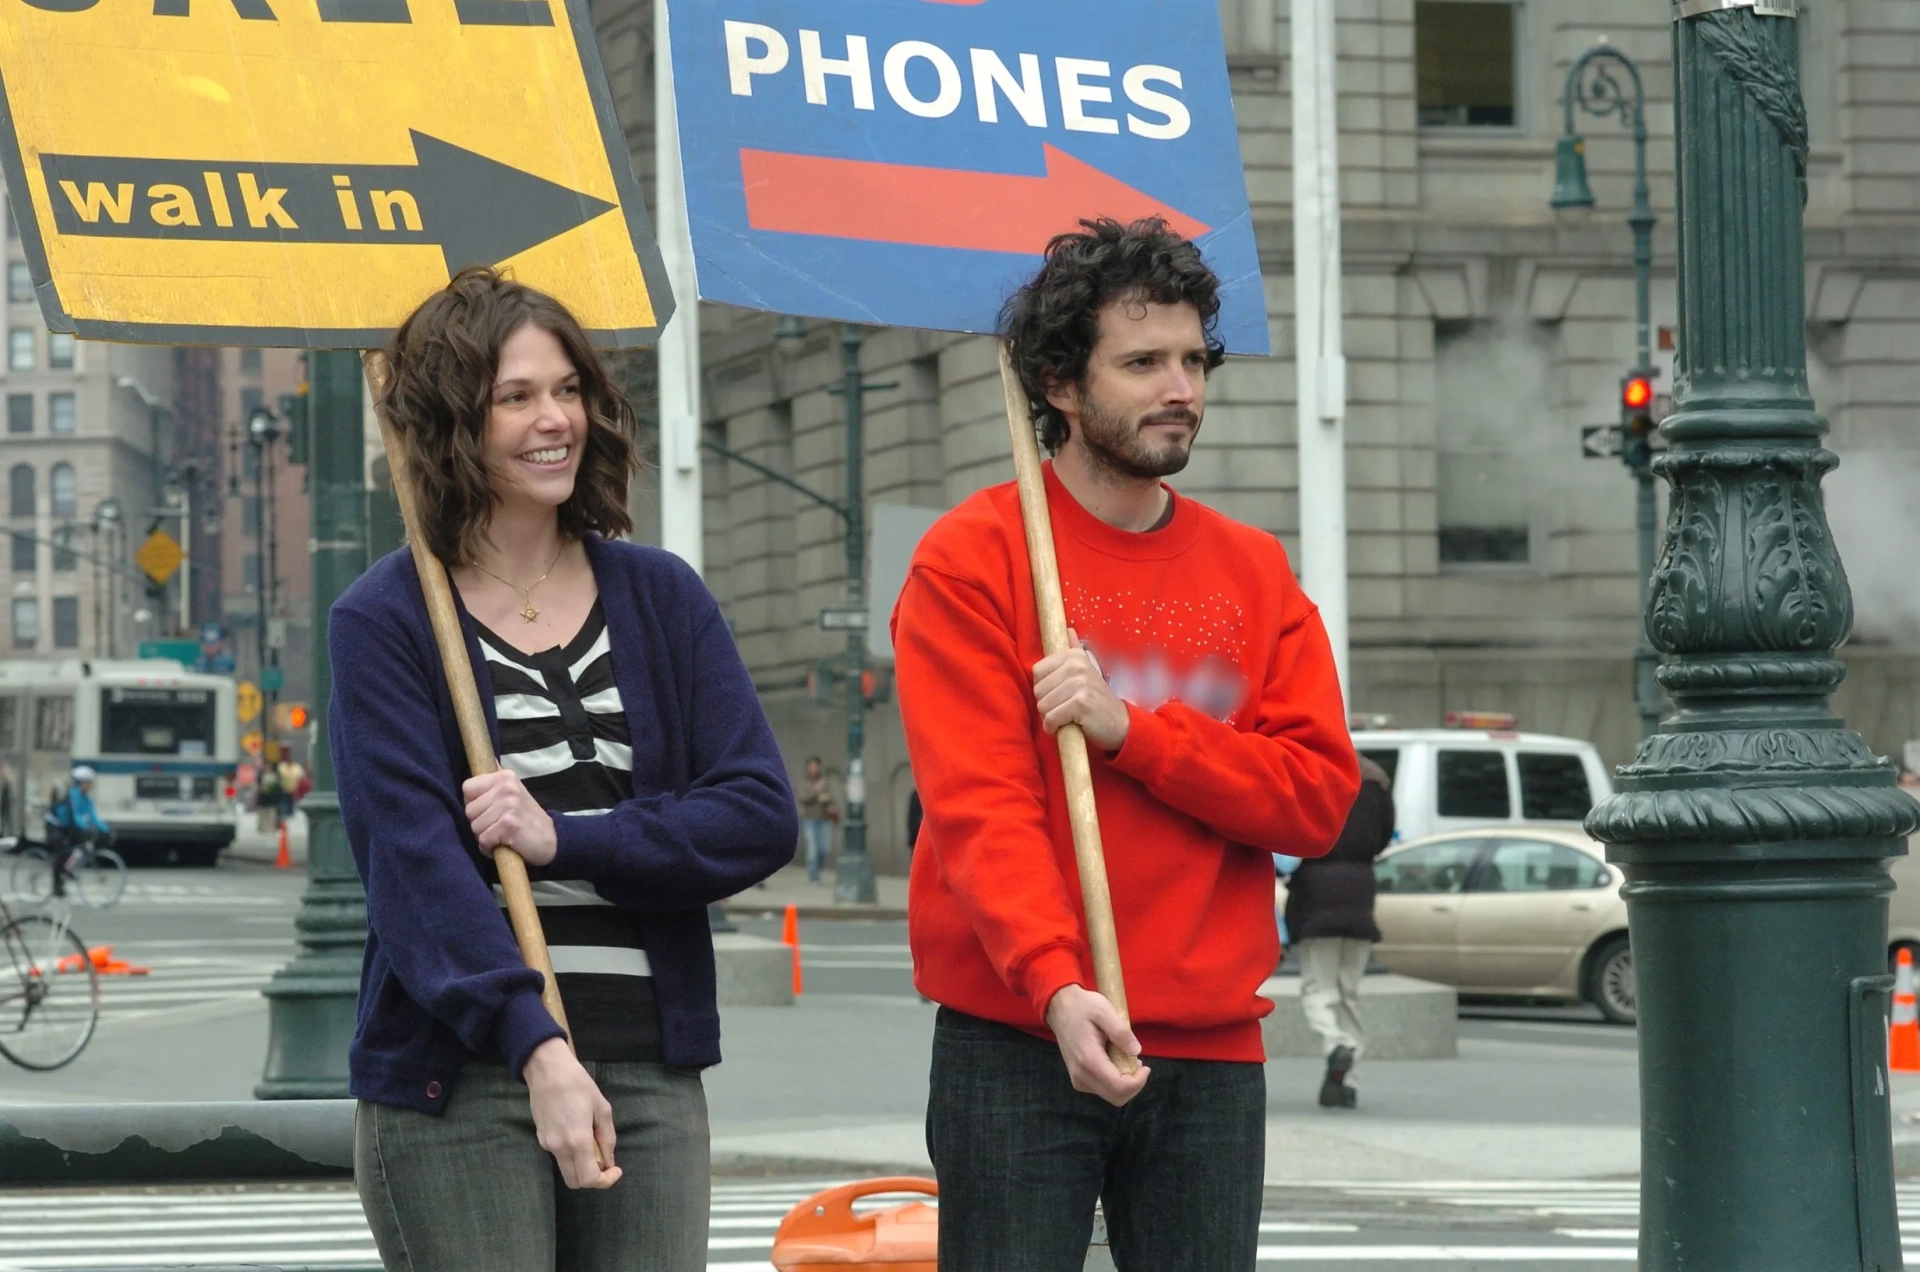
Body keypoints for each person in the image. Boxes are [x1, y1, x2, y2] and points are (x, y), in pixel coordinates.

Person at [892, 218, 1358, 1271]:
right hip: (1019, 1040)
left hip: (1209, 1051)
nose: (1180, 386)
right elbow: (980, 813)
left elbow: (1315, 798)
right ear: (1060, 383)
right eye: (1142, 362)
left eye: (1193, 360)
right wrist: (1058, 987)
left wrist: (1132, 733)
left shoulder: (1252, 570)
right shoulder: (973, 559)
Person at [329, 266, 797, 1271]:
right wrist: (534, 1043)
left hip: (648, 1075)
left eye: (568, 389)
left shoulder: (660, 595)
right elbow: (414, 873)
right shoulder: (388, 620)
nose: (557, 420)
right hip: (464, 1081)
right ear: (456, 422)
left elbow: (757, 813)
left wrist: (564, 836)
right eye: (516, 396)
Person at [1284, 756, 1396, 1109]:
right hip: (1362, 893)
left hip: (1316, 892)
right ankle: (1348, 1083)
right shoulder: (1376, 782)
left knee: (1318, 988)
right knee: (1350, 992)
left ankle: (1336, 1045)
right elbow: (1382, 838)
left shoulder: (1314, 771)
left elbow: (1293, 827)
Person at [797, 756, 837, 886]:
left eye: (816, 766)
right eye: (811, 766)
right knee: (813, 849)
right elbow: (803, 798)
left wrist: (827, 799)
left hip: (824, 819)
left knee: (824, 849)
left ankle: (817, 870)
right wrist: (817, 791)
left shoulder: (824, 781)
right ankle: (813, 877)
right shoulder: (804, 782)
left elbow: (829, 798)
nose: (814, 769)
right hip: (810, 819)